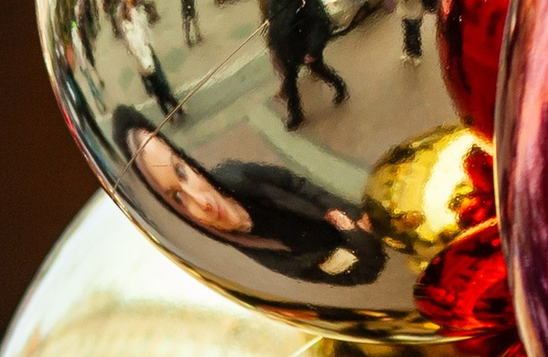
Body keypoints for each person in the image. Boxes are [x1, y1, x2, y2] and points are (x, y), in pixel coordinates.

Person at [117, 111, 377, 287]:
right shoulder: (262, 254)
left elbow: (298, 185)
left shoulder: (236, 175)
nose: (202, 201)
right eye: (178, 198)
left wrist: (348, 211)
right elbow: (358, 274)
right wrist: (357, 236)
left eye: (181, 171)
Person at [262, 0, 347, 130]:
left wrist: (313, 49)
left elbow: (320, 19)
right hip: (284, 43)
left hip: (303, 42)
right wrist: (273, 37)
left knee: (319, 69)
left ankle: (339, 85)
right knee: (290, 80)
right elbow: (274, 13)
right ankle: (296, 115)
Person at [115, 0, 183, 121]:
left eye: (130, 8)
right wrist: (143, 63)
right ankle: (174, 110)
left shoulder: (135, 18)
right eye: (128, 9)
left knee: (160, 88)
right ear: (125, 13)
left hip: (149, 55)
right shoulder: (128, 30)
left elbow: (143, 24)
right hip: (144, 63)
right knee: (160, 88)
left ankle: (172, 112)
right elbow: (135, 47)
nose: (130, 9)